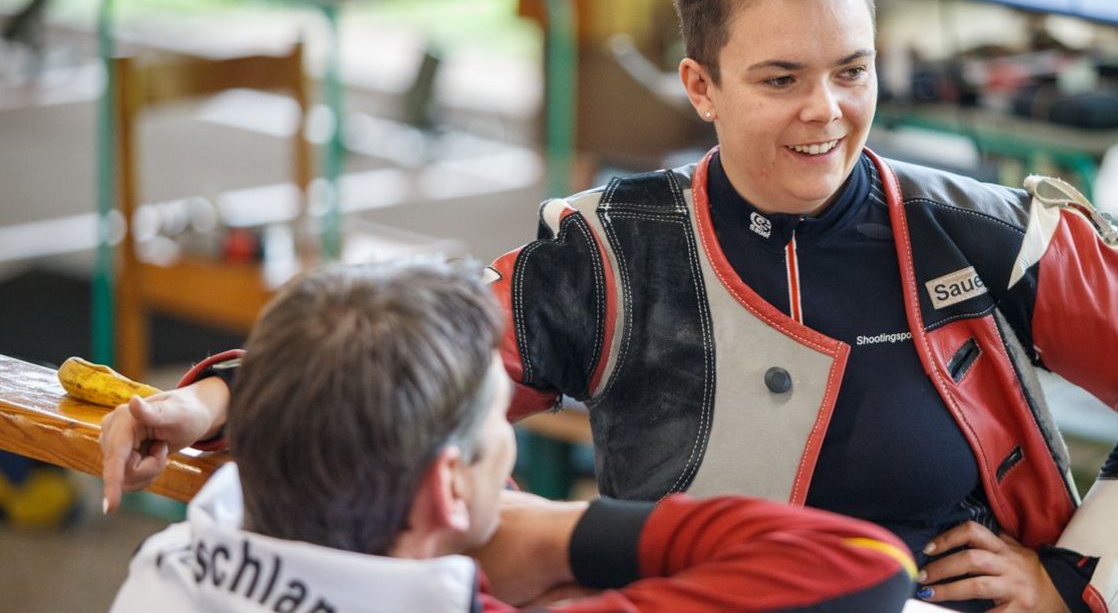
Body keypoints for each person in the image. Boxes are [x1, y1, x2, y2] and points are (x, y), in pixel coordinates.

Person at [102, 0, 1118, 613]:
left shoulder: (981, 234)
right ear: (697, 86)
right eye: (779, 78)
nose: (826, 112)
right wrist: (208, 405)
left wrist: (1072, 582)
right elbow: (400, 365)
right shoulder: (611, 252)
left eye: (851, 69)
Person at [107, 259, 916, 612]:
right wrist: (560, 530)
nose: (512, 452)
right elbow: (867, 566)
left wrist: (220, 396)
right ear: (446, 488)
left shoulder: (167, 567)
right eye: (499, 428)